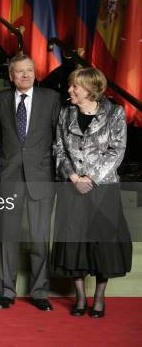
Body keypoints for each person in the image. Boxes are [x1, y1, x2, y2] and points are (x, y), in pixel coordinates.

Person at [52, 67, 131, 318]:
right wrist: (74, 177)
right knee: (73, 243)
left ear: (90, 88)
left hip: (102, 189)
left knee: (103, 245)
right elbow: (58, 149)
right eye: (70, 85)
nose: (70, 90)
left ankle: (98, 298)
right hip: (72, 187)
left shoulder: (115, 113)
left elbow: (117, 150)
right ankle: (80, 298)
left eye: (75, 86)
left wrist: (91, 178)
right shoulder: (66, 113)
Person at [0, 54, 61, 311]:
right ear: (11, 76)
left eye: (29, 71)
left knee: (40, 236)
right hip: (9, 177)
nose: (25, 75)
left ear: (35, 72)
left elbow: (57, 137)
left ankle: (39, 291)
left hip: (41, 177)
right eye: (19, 72)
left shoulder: (51, 99)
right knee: (7, 236)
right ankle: (7, 292)